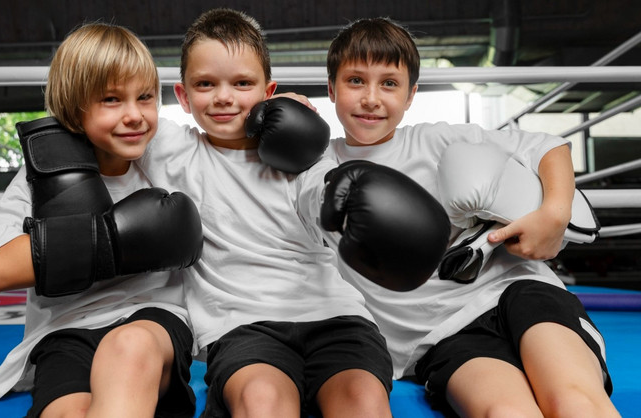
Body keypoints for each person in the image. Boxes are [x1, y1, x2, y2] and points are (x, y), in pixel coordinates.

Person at [137, 8, 446, 418]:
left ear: (269, 91)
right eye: (206, 84)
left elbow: (317, 196)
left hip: (336, 315)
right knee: (263, 403)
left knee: (364, 404)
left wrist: (345, 203)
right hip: (242, 323)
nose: (224, 97)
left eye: (242, 83)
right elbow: (108, 112)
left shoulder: (302, 153)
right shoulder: (174, 150)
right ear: (182, 96)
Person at [322, 17, 620, 418]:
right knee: (506, 413)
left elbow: (547, 146)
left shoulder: (436, 139)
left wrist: (553, 215)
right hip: (437, 337)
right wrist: (285, 111)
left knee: (573, 402)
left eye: (389, 83)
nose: (371, 98)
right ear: (331, 89)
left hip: (517, 291)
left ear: (410, 96)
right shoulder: (313, 169)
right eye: (355, 81)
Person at [0, 22, 203, 417]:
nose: (134, 115)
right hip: (66, 330)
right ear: (73, 107)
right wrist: (114, 239)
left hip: (153, 320)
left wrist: (278, 108)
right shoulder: (42, 177)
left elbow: (232, 136)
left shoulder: (168, 146)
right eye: (112, 99)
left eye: (145, 97)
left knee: (127, 347)